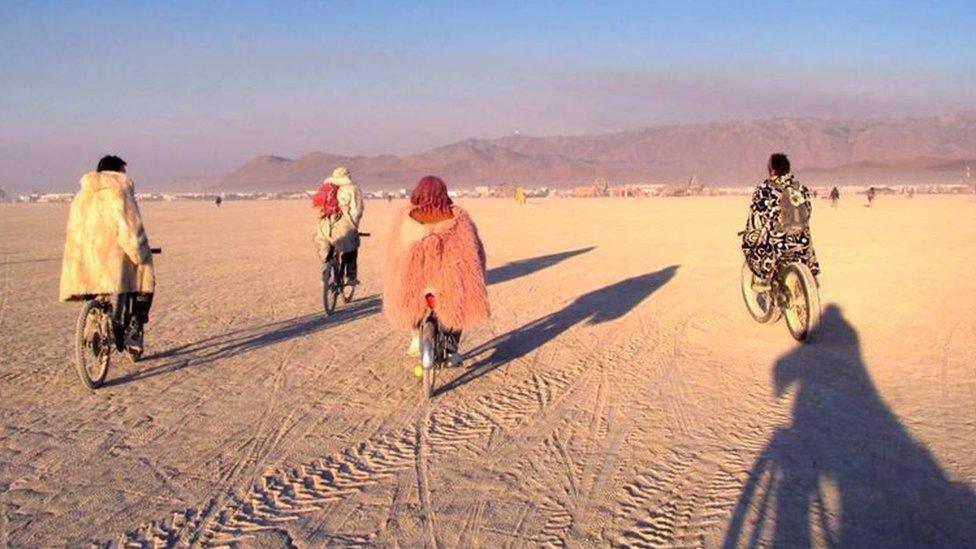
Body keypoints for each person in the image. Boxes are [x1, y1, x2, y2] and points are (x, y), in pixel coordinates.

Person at [383, 175, 489, 367]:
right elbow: (473, 251)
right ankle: (452, 349)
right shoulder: (459, 218)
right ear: (444, 194)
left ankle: (416, 335)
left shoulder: (406, 218)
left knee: (411, 300)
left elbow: (394, 250)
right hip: (448, 279)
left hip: (414, 278)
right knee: (460, 304)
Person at [59, 155, 155, 353]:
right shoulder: (119, 191)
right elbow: (129, 228)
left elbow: (73, 230)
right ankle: (135, 329)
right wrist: (141, 253)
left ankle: (92, 324)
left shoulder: (81, 195)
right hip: (113, 260)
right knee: (145, 280)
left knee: (97, 289)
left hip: (84, 260)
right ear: (117, 172)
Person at [741, 153, 820, 283]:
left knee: (751, 246)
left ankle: (764, 280)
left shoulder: (764, 190)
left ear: (772, 170)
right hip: (803, 244)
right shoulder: (801, 189)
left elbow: (756, 218)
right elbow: (808, 212)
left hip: (778, 246)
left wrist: (750, 236)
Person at [313, 167, 364, 285]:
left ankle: (326, 275)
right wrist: (354, 225)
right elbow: (357, 210)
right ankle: (351, 276)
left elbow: (318, 208)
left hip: (324, 224)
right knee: (351, 246)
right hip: (343, 224)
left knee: (327, 248)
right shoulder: (352, 189)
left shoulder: (326, 188)